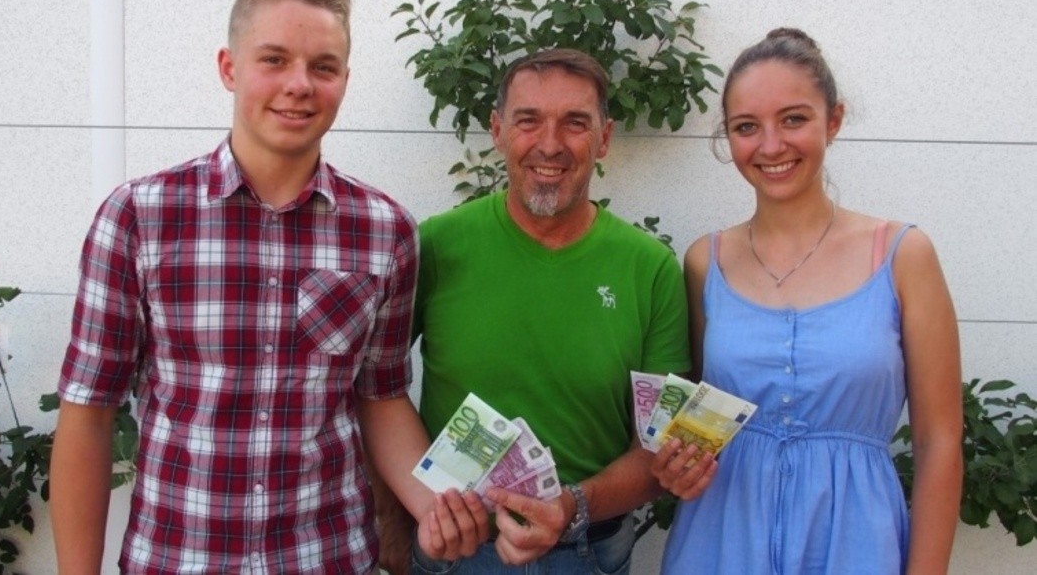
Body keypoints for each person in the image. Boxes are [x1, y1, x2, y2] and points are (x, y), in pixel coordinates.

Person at [50, 0, 484, 573]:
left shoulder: (385, 231)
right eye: (274, 60)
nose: (299, 84)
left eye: (323, 67)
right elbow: (88, 413)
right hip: (179, 557)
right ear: (229, 67)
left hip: (327, 557)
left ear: (344, 80)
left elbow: (381, 397)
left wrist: (434, 506)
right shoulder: (138, 218)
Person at [652, 28, 963, 574]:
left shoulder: (903, 256)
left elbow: (939, 441)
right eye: (747, 127)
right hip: (721, 542)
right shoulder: (706, 261)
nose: (771, 146)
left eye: (793, 119)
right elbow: (697, 422)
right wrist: (673, 465)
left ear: (833, 121)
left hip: (854, 544)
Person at [389, 48, 692, 573]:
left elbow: (659, 450)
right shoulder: (435, 246)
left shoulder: (651, 269)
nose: (550, 144)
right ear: (498, 130)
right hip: (455, 551)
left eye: (575, 123)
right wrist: (392, 522)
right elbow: (374, 392)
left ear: (604, 138)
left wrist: (570, 507)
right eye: (528, 120)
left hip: (591, 551)